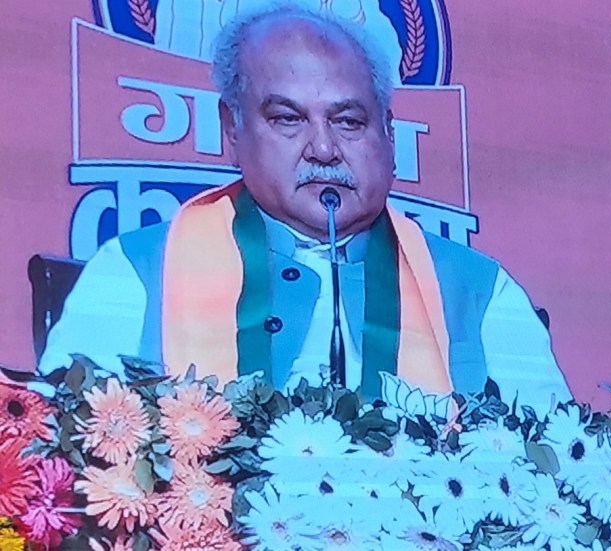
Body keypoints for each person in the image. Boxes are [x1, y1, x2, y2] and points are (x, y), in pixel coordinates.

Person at [39, 5, 570, 414]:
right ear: (232, 130)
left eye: (349, 122)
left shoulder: (479, 291)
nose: (323, 149)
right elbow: (61, 463)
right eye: (288, 119)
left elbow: (557, 476)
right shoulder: (136, 271)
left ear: (389, 134)